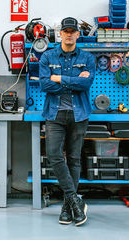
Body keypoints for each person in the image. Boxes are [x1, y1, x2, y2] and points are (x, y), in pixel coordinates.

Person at [39, 17, 96, 226]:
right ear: (60, 34)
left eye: (73, 31)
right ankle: (74, 200)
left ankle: (66, 206)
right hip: (54, 115)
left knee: (73, 158)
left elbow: (86, 83)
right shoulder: (47, 56)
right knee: (54, 155)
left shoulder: (87, 58)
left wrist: (60, 78)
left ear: (78, 35)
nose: (69, 34)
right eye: (66, 31)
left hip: (79, 114)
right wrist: (74, 81)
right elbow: (45, 86)